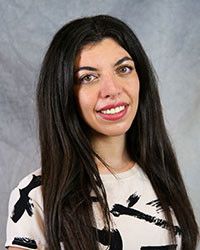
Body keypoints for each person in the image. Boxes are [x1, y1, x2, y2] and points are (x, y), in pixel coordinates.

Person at [5, 15, 198, 250]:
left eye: (123, 69)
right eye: (88, 77)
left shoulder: (162, 177)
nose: (112, 90)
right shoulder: (36, 196)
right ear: (62, 93)